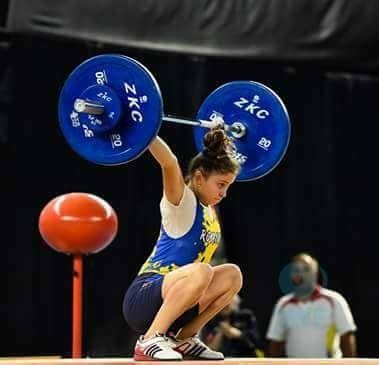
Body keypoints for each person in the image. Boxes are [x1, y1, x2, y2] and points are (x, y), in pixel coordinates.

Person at [122, 129, 243, 361]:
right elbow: (169, 163)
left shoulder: (208, 211)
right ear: (198, 177)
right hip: (144, 298)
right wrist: (144, 126)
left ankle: (183, 339)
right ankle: (149, 340)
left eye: (228, 186)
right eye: (220, 184)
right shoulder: (181, 202)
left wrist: (225, 136)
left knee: (232, 275)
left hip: (180, 302)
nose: (224, 193)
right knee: (202, 271)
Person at [266, 253, 357, 358]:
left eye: (306, 269)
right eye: (296, 269)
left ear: (315, 273)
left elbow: (347, 337)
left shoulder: (334, 300)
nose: (300, 273)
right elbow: (275, 342)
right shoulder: (283, 304)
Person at [201, 294, 265, 358]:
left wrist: (238, 334)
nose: (226, 304)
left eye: (229, 300)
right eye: (223, 300)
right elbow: (209, 348)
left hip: (245, 357)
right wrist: (221, 332)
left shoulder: (245, 316)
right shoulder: (210, 320)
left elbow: (256, 342)